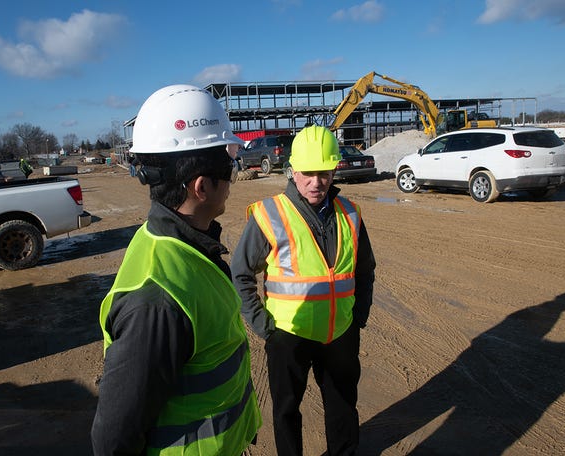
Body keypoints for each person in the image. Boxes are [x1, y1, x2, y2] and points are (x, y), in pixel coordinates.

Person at [91, 84, 262, 455]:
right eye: (230, 165)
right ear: (201, 186)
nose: (233, 176)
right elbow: (113, 438)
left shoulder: (179, 244)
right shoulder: (157, 301)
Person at [231, 125, 376, 456]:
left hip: (340, 332)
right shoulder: (270, 214)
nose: (317, 182)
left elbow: (365, 268)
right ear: (292, 170)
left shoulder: (350, 212)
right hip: (288, 335)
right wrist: (263, 325)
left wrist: (358, 317)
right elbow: (240, 272)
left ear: (333, 169)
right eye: (308, 173)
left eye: (324, 172)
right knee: (286, 411)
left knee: (343, 407)